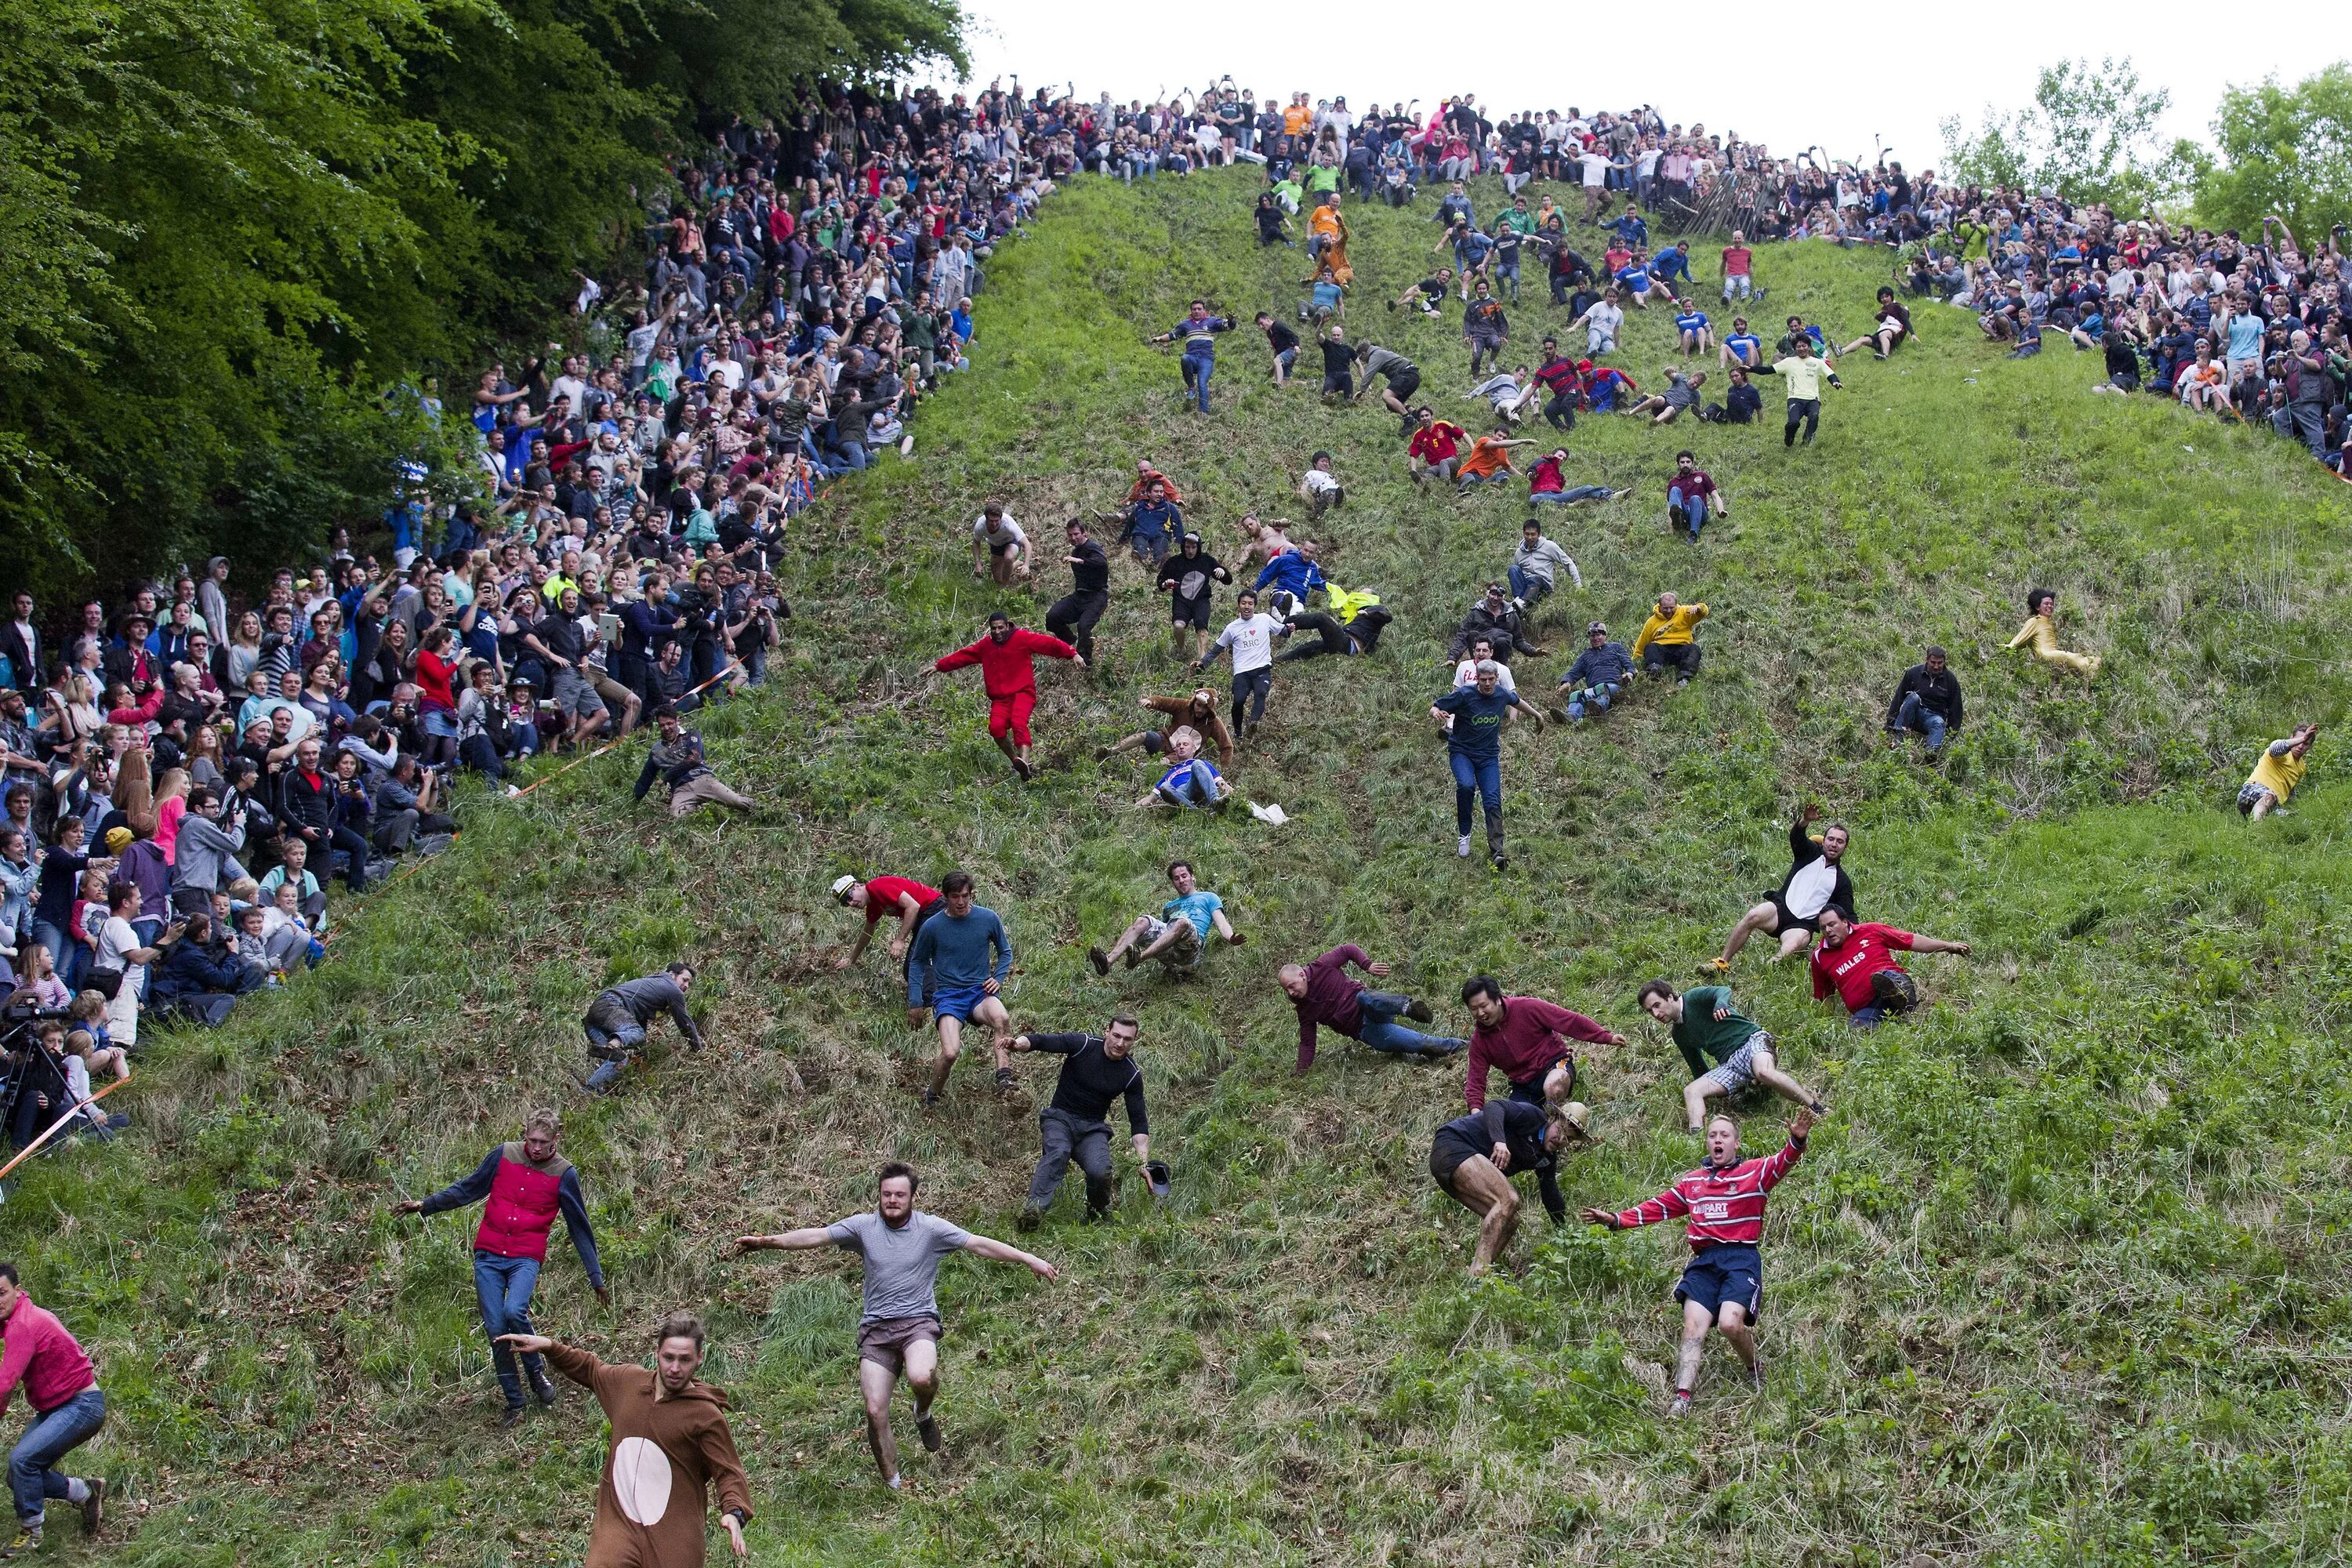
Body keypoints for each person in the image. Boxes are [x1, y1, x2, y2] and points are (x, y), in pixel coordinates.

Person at [732, 1163, 1057, 1490]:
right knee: (875, 1410)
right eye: (886, 1194)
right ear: (879, 1195)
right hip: (876, 1329)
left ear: (913, 1197)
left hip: (917, 1323)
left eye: (899, 1195)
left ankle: (922, 1412)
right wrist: (765, 1242)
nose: (892, 1200)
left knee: (921, 1377)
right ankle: (894, 1484)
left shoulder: (930, 1229)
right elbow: (817, 1235)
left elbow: (979, 1244)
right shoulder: (863, 1227)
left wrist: (1028, 1258)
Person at [1581, 1109, 1815, 1417]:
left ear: (1737, 1144)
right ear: (1707, 1143)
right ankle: (1682, 1398)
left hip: (1740, 1259)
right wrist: (1615, 1219)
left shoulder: (1753, 1173)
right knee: (1693, 1328)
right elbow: (1657, 1208)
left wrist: (1797, 1139)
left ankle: (1754, 1367)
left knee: (1731, 1324)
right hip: (1704, 1262)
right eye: (1712, 1135)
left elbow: (1783, 1161)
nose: (1717, 1140)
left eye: (1725, 1135)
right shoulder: (1693, 1183)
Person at [390, 1108, 609, 1426]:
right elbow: (469, 1188)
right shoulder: (504, 1155)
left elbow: (579, 1227)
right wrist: (427, 1204)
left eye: (543, 1142)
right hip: (489, 1255)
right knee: (496, 1329)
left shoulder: (564, 1173)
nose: (536, 1147)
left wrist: (596, 1277)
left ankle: (536, 1373)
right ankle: (514, 1401)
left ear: (556, 1139)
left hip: (525, 1256)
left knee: (513, 1312)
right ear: (525, 1134)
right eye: (531, 1140)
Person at [492, 1314, 750, 1564]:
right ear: (657, 1353)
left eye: (685, 1360)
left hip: (674, 1533)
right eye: (668, 1358)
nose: (674, 1368)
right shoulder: (629, 1384)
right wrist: (549, 1346)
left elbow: (728, 1471)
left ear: (699, 1358)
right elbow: (591, 1368)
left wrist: (734, 1512)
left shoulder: (705, 1415)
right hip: (619, 1527)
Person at [1006, 1014, 1152, 1227]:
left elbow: (1138, 1121)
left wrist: (1143, 1162)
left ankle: (1097, 1214)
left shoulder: (1131, 1074)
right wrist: (1017, 1044)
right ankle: (1033, 1212)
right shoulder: (1083, 1044)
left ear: (1134, 1041)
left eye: (1127, 1039)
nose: (1120, 1044)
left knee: (1100, 1171)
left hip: (1092, 1129)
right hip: (1059, 1118)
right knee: (1058, 1152)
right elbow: (1043, 1041)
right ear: (1107, 1032)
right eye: (1116, 1036)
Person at [0, 1263, 106, 1555]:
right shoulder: (22, 1314)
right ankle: (86, 1492)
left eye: (1, 1293)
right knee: (18, 1476)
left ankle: (31, 1533)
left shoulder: (24, 1324)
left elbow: (4, 1384)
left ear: (17, 1291)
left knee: (22, 1462)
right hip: (59, 1407)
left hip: (81, 1405)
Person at [1637, 982, 1824, 1132]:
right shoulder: (1679, 1035)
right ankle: (1697, 1139)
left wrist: (1720, 1005)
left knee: (1764, 1073)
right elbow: (1698, 1067)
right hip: (1729, 1064)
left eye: (1657, 1005)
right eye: (1650, 1011)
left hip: (1751, 1040)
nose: (1655, 1013)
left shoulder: (1693, 998)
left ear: (1669, 997)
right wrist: (1710, 1090)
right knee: (1691, 1091)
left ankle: (1816, 1107)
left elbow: (1722, 991)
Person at [1428, 1095, 1585, 1275]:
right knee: (1508, 1199)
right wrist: (1499, 1141)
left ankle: (1474, 1276)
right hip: (1452, 1144)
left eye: (1569, 1139)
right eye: (1561, 1130)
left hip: (1459, 1166)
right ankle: (1480, 1272)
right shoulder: (1533, 1116)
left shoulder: (1546, 1158)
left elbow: (1550, 1194)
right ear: (1552, 1119)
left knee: (1511, 1220)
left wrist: (1564, 1231)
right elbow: (1494, 1106)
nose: (1561, 1139)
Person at [904, 870, 1014, 1105]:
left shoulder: (988, 918)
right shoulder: (933, 927)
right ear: (945, 897)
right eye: (955, 896)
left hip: (979, 992)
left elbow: (1005, 952)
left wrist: (999, 978)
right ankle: (932, 1095)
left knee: (1002, 1018)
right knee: (951, 1052)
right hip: (948, 997)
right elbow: (917, 962)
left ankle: (1005, 1079)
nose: (961, 902)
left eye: (966, 895)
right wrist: (915, 1001)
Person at [933, 612, 1082, 782]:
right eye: (994, 629)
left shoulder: (1022, 638)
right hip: (1000, 699)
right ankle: (1016, 762)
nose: (997, 632)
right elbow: (963, 656)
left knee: (1018, 722)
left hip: (1023, 693)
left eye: (1000, 628)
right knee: (995, 728)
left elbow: (1049, 644)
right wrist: (939, 666)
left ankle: (1025, 763)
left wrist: (1072, 653)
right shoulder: (985, 646)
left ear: (1008, 625)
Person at [1706, 804, 1853, 972]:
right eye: (1831, 839)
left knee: (1793, 944)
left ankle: (1766, 973)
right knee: (1753, 915)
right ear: (1824, 840)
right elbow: (1797, 837)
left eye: (1840, 841)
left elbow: (1848, 914)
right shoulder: (1810, 853)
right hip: (1780, 909)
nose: (1834, 844)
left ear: (1845, 847)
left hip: (1802, 925)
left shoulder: (1842, 881)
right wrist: (1804, 820)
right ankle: (1722, 962)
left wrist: (1858, 937)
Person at [1281, 943, 1464, 1073]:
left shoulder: (1321, 966)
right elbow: (1307, 1043)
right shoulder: (1305, 1011)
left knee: (1366, 998)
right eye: (1287, 990)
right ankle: (1461, 1047)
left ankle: (1408, 1007)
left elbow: (1348, 949)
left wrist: (1367, 965)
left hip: (1370, 1005)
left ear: (1302, 975)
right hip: (1365, 1030)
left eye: (1292, 985)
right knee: (1415, 1042)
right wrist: (1301, 1071)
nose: (1291, 992)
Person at [1459, 975, 1624, 1112]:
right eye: (1474, 1009)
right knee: (1515, 1122)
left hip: (1554, 1065)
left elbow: (1569, 1021)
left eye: (1483, 1006)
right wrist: (1475, 1110)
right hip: (1523, 1085)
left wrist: (1607, 1037)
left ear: (1497, 1000)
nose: (1480, 1013)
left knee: (1554, 1087)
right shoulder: (1479, 1042)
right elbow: (1476, 1079)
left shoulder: (1527, 1007)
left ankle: (1559, 1125)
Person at [1809, 904, 1971, 1027]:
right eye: (1823, 928)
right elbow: (1826, 996)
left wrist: (1948, 946)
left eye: (1832, 924)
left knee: (1885, 978)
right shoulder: (1819, 956)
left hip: (1893, 979)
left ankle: (1902, 999)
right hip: (1868, 1007)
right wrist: (1827, 1025)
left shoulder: (1870, 931)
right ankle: (1892, 1019)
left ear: (1845, 922)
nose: (1828, 930)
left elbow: (1910, 940)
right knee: (1857, 1025)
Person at [1430, 660, 1523, 869]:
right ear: (1477, 679)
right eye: (1483, 680)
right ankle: (1465, 834)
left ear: (1497, 678)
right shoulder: (1465, 694)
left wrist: (1537, 715)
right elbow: (1437, 705)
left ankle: (1497, 852)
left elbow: (1517, 701)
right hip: (1462, 752)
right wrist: (1436, 712)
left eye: (1491, 679)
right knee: (1466, 786)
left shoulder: (1501, 694)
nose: (1488, 684)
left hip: (1488, 757)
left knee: (1492, 800)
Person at [1087, 858, 1240, 976]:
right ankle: (1107, 962)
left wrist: (1231, 937)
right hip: (1169, 950)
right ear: (1173, 883)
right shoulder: (1169, 906)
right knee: (1142, 920)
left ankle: (1139, 957)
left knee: (1182, 923)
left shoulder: (1208, 897)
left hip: (1191, 949)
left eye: (1184, 876)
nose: (1181, 880)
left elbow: (1221, 923)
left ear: (1192, 877)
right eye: (1176, 878)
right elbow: (1164, 932)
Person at [582, 960, 705, 1093]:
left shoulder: (652, 986)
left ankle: (588, 1092)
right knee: (636, 1032)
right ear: (672, 975)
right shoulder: (672, 989)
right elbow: (684, 1023)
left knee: (618, 1060)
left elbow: (640, 1027)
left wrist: (643, 1056)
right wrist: (698, 1049)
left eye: (688, 983)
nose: (686, 986)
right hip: (611, 1004)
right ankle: (613, 1044)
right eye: (684, 980)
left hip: (593, 1019)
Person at [1195, 589, 1288, 739]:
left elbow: (1282, 631)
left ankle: (1253, 723)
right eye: (1243, 603)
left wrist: (1289, 630)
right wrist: (1203, 664)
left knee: (1261, 693)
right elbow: (1216, 649)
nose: (1247, 606)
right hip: (1242, 672)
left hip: (1262, 668)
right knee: (1238, 701)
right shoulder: (1232, 628)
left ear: (1254, 606)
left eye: (1250, 604)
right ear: (1238, 605)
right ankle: (1238, 732)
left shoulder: (1264, 619)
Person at [633, 707, 755, 817]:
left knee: (739, 802)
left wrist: (666, 777)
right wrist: (634, 800)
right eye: (662, 725)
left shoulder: (692, 735)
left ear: (677, 721)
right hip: (681, 789)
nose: (666, 728)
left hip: (703, 780)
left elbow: (694, 759)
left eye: (669, 723)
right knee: (677, 816)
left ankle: (764, 808)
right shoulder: (657, 750)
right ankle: (700, 810)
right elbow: (646, 776)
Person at [830, 872, 942, 975]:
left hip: (934, 909)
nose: (851, 903)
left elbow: (913, 906)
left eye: (849, 897)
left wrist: (900, 940)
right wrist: (851, 959)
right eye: (846, 903)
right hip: (925, 916)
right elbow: (867, 932)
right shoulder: (873, 904)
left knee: (914, 968)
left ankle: (936, 994)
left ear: (858, 886)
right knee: (914, 968)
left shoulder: (877, 887)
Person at [1097, 688, 1235, 771]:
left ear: (1210, 709)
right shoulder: (1184, 707)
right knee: (1145, 736)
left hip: (1182, 757)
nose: (1199, 709)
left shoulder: (1214, 723)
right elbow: (1163, 701)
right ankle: (1111, 751)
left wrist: (1223, 770)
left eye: (1204, 707)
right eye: (1198, 705)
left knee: (1167, 762)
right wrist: (1151, 701)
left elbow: (1227, 746)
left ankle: (1145, 768)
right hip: (1164, 742)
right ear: (1194, 702)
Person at [1156, 532, 1232, 662]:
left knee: (1201, 628)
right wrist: (1165, 584)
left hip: (1201, 600)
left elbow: (1228, 580)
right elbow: (1160, 582)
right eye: (1187, 547)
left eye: (1193, 547)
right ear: (1183, 547)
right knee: (1178, 626)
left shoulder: (1206, 560)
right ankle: (1181, 649)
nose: (1190, 551)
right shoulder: (1174, 562)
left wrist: (1223, 573)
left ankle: (1202, 662)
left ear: (1198, 547)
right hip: (1181, 600)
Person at [1151, 299, 1236, 414]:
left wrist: (1231, 321)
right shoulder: (1186, 324)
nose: (1197, 311)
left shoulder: (1211, 322)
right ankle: (1191, 387)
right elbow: (1173, 335)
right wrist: (1160, 338)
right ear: (1191, 311)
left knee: (1202, 382)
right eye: (1194, 309)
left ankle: (1203, 412)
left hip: (1206, 359)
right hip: (1192, 357)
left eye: (1199, 309)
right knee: (1185, 358)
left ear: (1204, 310)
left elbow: (1228, 326)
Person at [1044, 519, 1109, 666]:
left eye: (1076, 534)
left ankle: (1085, 662)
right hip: (1080, 596)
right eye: (1070, 535)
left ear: (1084, 533)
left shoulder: (1092, 546)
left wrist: (1079, 560)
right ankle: (1071, 642)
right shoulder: (1076, 550)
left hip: (1097, 596)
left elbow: (1102, 563)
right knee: (1052, 617)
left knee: (1084, 625)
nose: (1073, 538)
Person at [1758, 336, 1840, 447]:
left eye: (1804, 346)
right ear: (1794, 349)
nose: (1801, 349)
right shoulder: (1788, 362)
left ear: (1809, 347)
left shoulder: (1817, 362)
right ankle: (1789, 435)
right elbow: (1768, 370)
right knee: (1793, 423)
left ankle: (1807, 442)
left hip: (1812, 399)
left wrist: (1835, 382)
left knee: (1814, 416)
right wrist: (1750, 368)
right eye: (1798, 347)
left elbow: (1830, 374)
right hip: (1795, 398)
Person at [2005, 588, 2100, 683]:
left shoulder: (2049, 623)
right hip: (2046, 654)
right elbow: (2021, 636)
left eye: (2051, 604)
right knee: (2072, 657)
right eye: (2046, 604)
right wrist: (2010, 646)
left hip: (2053, 653)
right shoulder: (2034, 621)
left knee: (2094, 659)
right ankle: (2093, 677)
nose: (2050, 606)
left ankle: (2096, 669)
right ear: (2038, 607)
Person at [1885, 647, 1964, 757]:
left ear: (1944, 662)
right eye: (1933, 662)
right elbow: (1899, 697)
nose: (1936, 666)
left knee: (1939, 723)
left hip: (1933, 717)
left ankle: (1931, 754)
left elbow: (1956, 710)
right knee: (1913, 698)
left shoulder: (1951, 681)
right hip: (1913, 713)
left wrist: (1951, 736)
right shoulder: (1913, 673)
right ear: (1926, 660)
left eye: (1940, 663)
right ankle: (1899, 738)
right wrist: (1890, 723)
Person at [1446, 582, 1544, 664]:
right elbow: (1462, 634)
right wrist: (1452, 657)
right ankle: (1477, 670)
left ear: (1503, 597)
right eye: (1493, 594)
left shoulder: (1511, 614)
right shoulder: (1476, 612)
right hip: (1481, 651)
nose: (1496, 598)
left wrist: (1533, 651)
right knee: (1473, 634)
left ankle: (1499, 674)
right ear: (1487, 593)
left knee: (1502, 641)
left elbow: (1518, 640)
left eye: (1499, 595)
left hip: (1501, 652)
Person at [1133, 725, 1229, 810]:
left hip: (1198, 786)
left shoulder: (1202, 764)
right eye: (1178, 745)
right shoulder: (1171, 771)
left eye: (1185, 744)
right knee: (1165, 786)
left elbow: (1221, 783)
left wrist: (1231, 794)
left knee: (1197, 764)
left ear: (1194, 749)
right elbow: (1151, 798)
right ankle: (1193, 810)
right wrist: (1135, 807)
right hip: (1181, 794)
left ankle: (1215, 801)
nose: (1181, 747)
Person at [1559, 620, 1635, 723]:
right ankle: (1571, 717)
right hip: (1594, 689)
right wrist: (1566, 682)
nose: (1595, 638)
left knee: (1602, 688)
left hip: (1613, 686)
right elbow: (1574, 672)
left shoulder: (1616, 648)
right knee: (1576, 695)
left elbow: (1629, 665)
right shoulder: (1585, 656)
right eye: (1592, 636)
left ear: (1605, 635)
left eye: (1598, 635)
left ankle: (1598, 710)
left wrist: (1629, 674)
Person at [2240, 724, 2318, 819]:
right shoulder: (2283, 754)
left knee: (2292, 817)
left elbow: (2290, 791)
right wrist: (2303, 738)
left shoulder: (2301, 767)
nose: (2301, 746)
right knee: (2269, 796)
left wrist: (2294, 806)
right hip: (2251, 791)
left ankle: (2256, 823)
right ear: (2291, 738)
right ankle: (2256, 829)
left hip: (2271, 804)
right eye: (2298, 741)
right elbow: (2275, 748)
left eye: (2305, 743)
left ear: (2309, 747)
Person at [1631, 593, 1708, 685]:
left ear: (1676, 605)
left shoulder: (1684, 612)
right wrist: (1634, 661)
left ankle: (1685, 677)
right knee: (1651, 647)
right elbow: (1642, 643)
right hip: (1662, 650)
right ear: (1659, 606)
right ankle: (1654, 672)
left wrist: (1699, 608)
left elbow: (1703, 612)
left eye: (1671, 608)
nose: (1668, 611)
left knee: (1694, 649)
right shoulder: (1651, 622)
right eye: (1665, 608)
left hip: (1682, 648)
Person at [1507, 520, 1581, 609]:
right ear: (1523, 533)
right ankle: (1519, 602)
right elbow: (1517, 577)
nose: (1530, 537)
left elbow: (1568, 562)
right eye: (1527, 534)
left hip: (1544, 587)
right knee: (1513, 569)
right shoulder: (1519, 552)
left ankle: (1524, 604)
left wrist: (1578, 584)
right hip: (1527, 586)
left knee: (1536, 578)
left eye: (1533, 534)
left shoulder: (1549, 546)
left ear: (1539, 534)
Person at [1665, 451, 1725, 543]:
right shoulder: (1674, 482)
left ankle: (1693, 535)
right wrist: (1670, 528)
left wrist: (1720, 511)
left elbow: (1715, 495)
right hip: (1684, 514)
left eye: (1688, 462)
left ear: (1692, 463)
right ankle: (1678, 522)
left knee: (1695, 498)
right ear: (1678, 464)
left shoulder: (1702, 476)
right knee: (1674, 490)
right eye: (1682, 462)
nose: (1685, 464)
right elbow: (1671, 507)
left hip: (1700, 514)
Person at [1840, 287, 1912, 359]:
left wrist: (1913, 334)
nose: (1884, 299)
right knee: (1863, 339)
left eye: (1887, 296)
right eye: (1882, 297)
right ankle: (1842, 351)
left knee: (1883, 334)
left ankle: (1885, 355)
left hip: (1895, 333)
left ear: (1891, 297)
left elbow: (1906, 320)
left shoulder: (1898, 307)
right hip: (1882, 334)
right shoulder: (1884, 311)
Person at [969, 503, 1032, 586]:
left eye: (997, 521)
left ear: (1001, 519)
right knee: (998, 579)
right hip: (995, 544)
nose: (994, 524)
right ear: (986, 519)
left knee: (1008, 558)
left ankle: (1005, 586)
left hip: (1011, 542)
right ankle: (1015, 564)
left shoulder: (1008, 523)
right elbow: (976, 543)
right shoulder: (980, 526)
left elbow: (1027, 544)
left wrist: (1026, 565)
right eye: (991, 521)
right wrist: (977, 563)